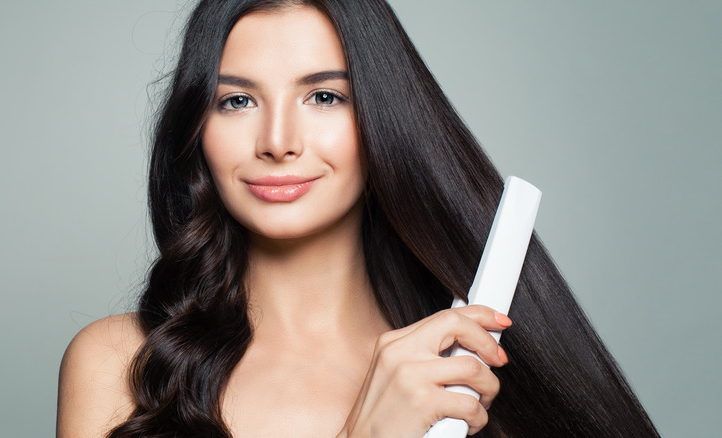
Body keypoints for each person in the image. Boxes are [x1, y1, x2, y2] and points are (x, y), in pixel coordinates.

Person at [57, 1, 660, 437]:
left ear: (381, 119)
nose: (278, 141)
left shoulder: (469, 380)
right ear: (198, 128)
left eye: (324, 96)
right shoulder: (118, 366)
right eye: (236, 100)